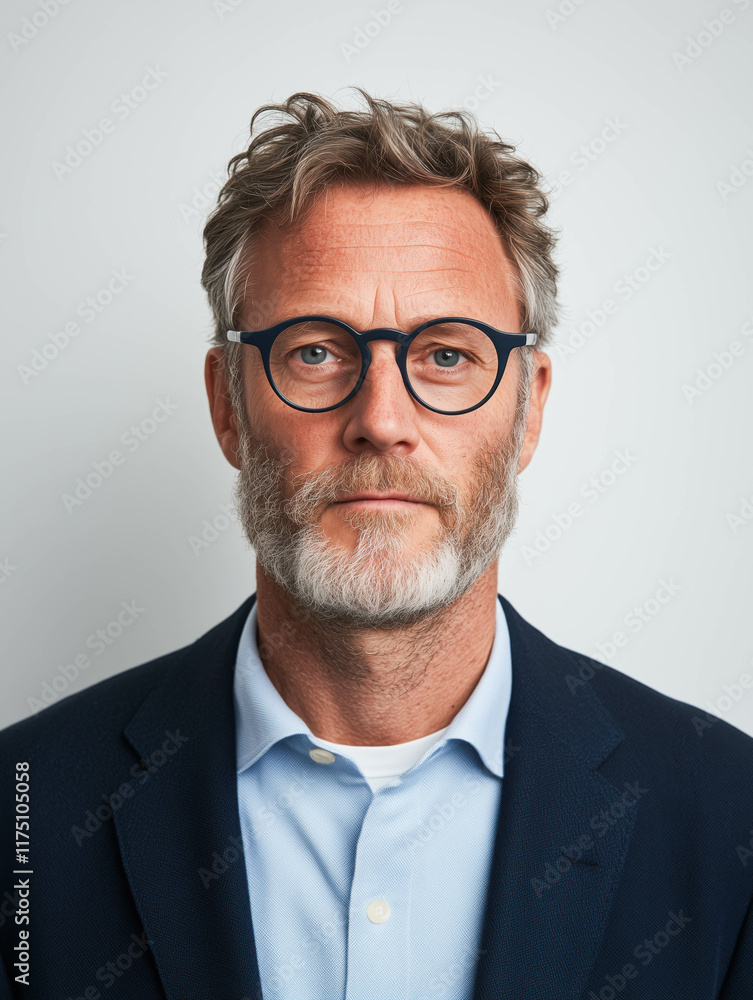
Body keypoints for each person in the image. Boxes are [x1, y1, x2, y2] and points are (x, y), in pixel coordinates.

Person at [1, 88, 751, 1000]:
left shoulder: (728, 815)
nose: (382, 420)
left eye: (447, 354)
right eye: (316, 351)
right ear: (227, 406)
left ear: (528, 411)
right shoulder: (23, 809)